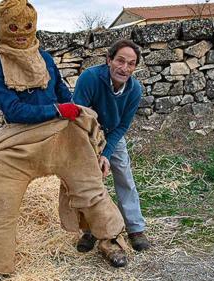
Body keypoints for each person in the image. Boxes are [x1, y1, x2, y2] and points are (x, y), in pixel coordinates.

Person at [0, 0, 128, 270]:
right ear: (1, 27)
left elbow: (62, 92)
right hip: (20, 140)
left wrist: (72, 109)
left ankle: (109, 239)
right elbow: (14, 110)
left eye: (27, 26)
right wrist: (56, 109)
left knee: (91, 187)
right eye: (13, 26)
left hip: (62, 134)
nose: (20, 32)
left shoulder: (46, 58)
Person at [73, 39, 150, 253]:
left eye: (131, 63)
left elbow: (123, 126)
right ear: (109, 60)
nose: (124, 68)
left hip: (113, 134)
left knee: (124, 176)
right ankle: (88, 230)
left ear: (135, 67)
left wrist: (106, 153)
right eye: (120, 61)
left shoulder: (134, 90)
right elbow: (78, 116)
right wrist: (92, 151)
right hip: (85, 132)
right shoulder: (90, 78)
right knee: (88, 179)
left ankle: (135, 228)